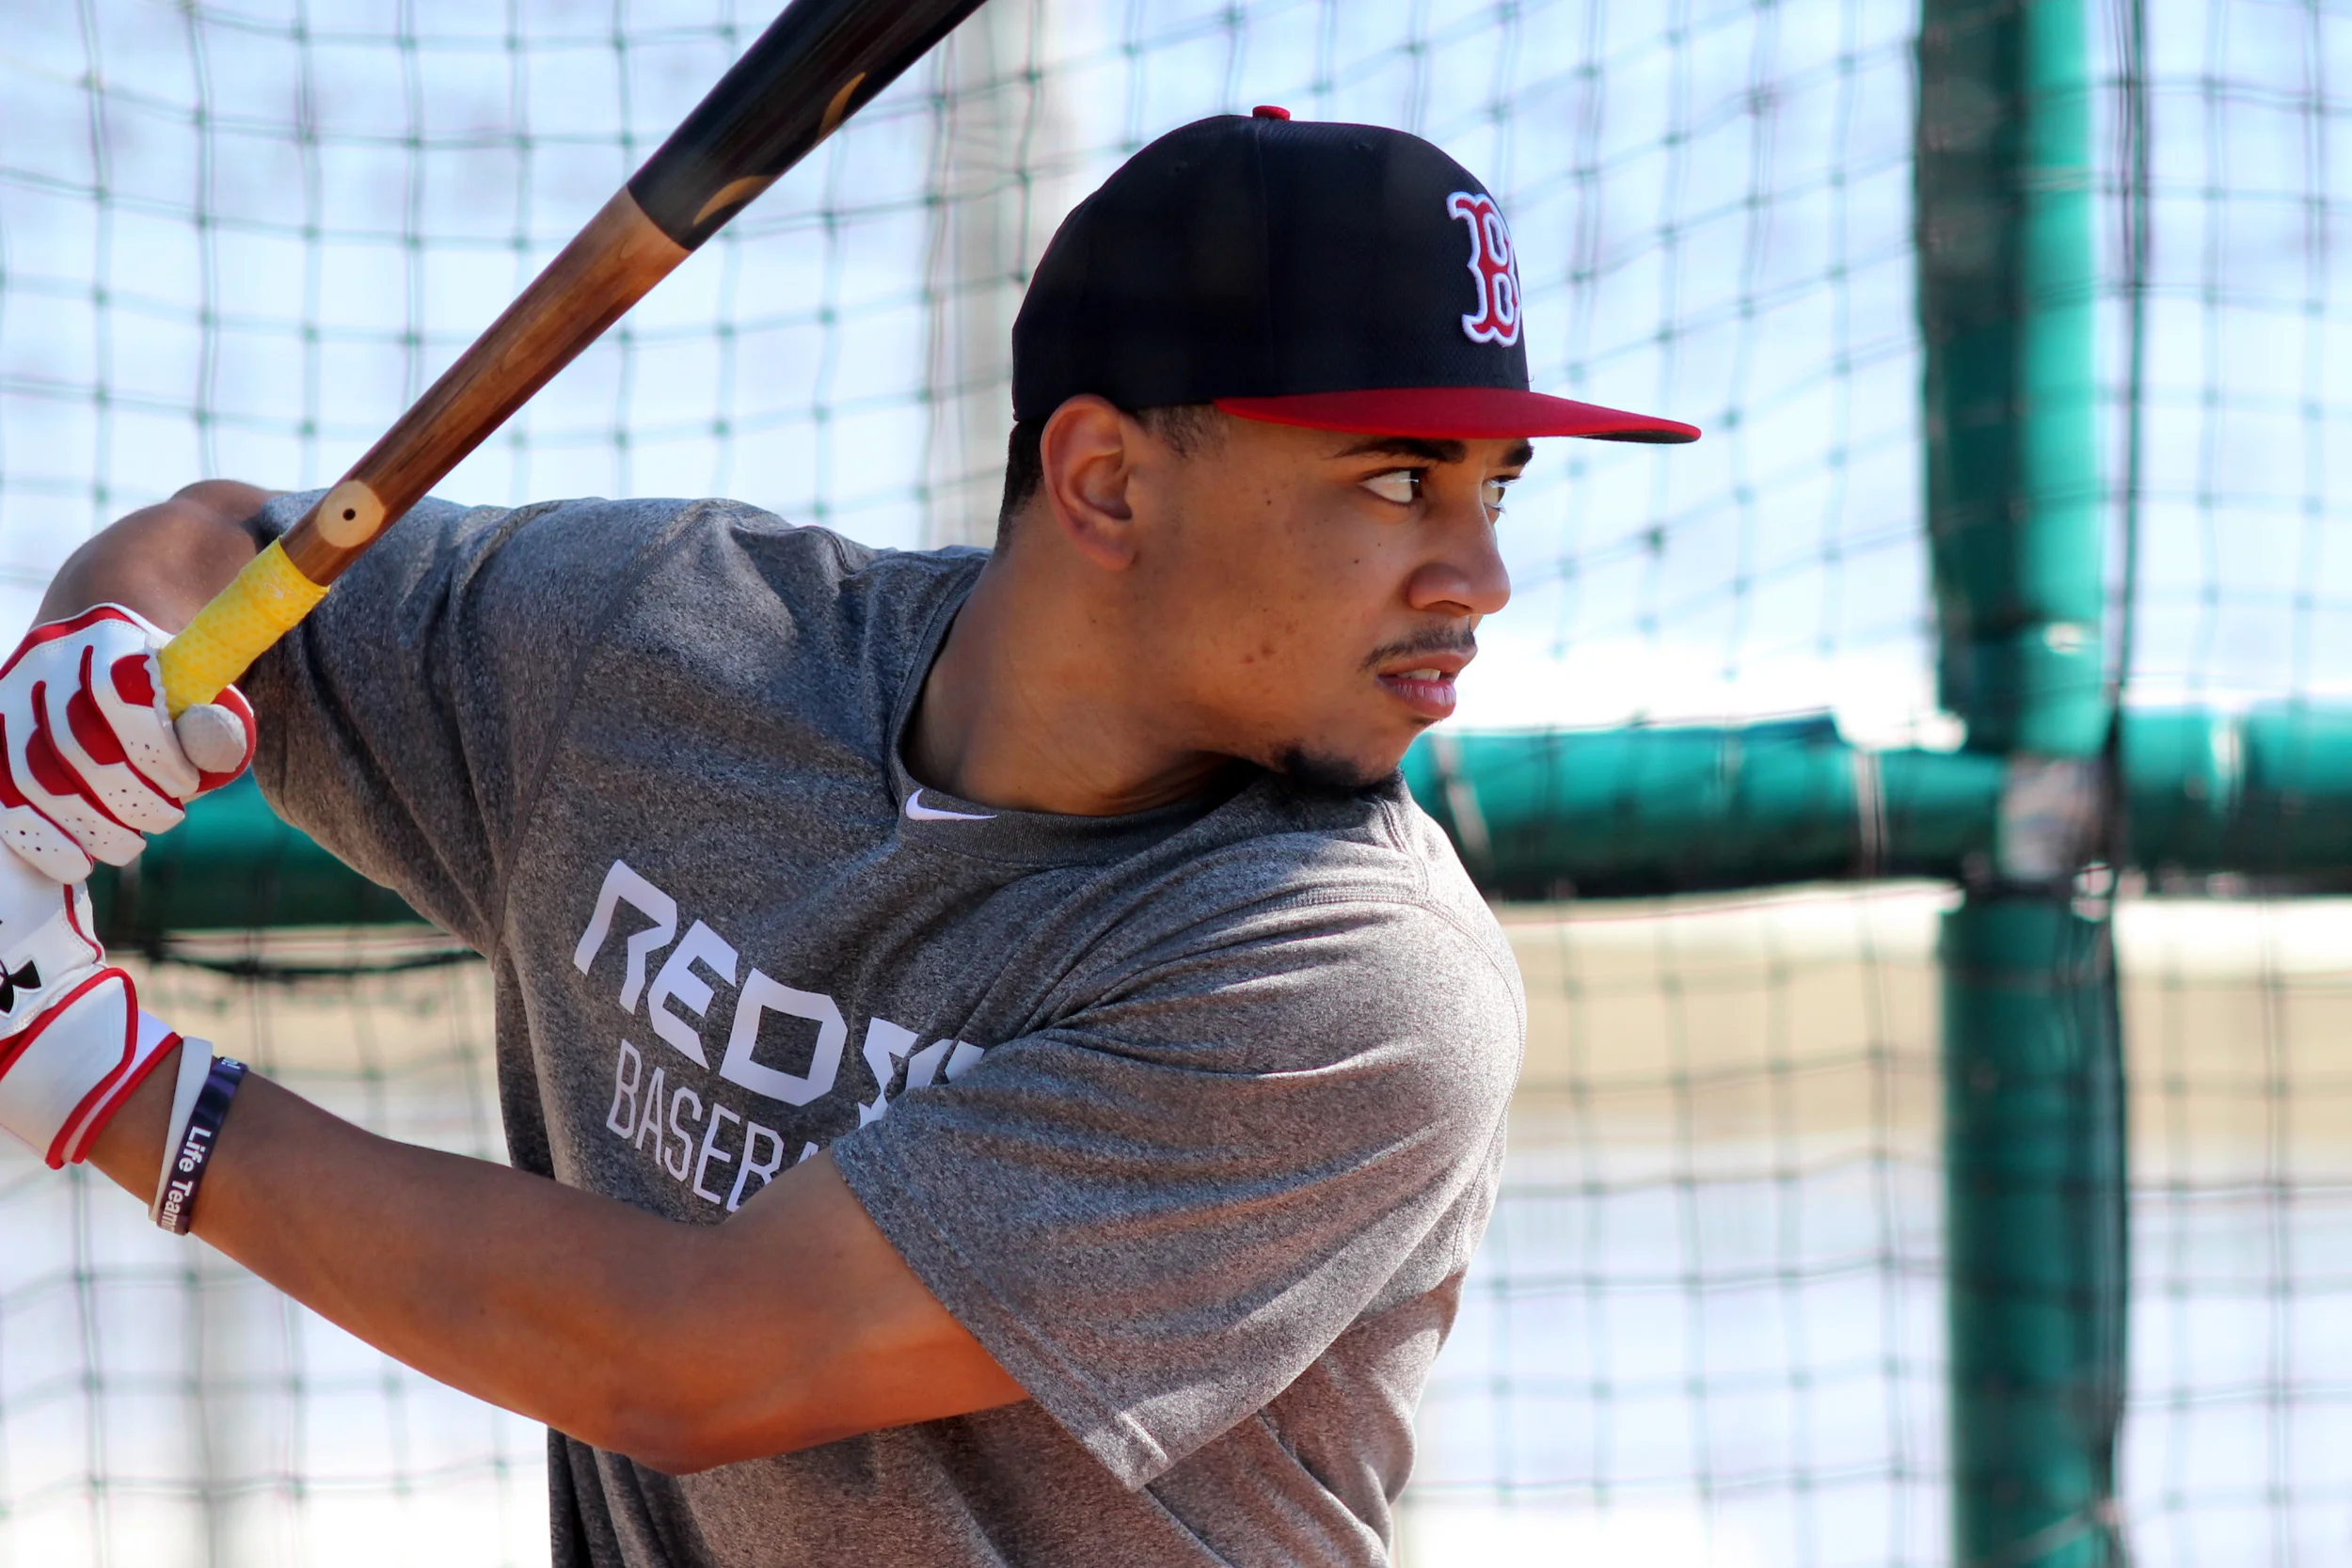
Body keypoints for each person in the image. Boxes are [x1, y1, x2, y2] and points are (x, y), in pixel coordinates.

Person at [0, 109, 1694, 1566]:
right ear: (1105, 481)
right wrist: (92, 667)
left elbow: (703, 1363)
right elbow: (229, 546)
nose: (1478, 577)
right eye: (1400, 480)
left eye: (1494, 491)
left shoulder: (1350, 975)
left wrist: (94, 1070)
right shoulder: (666, 642)